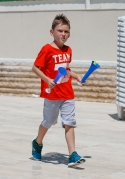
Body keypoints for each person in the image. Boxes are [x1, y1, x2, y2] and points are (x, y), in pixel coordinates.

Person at [32, 13, 85, 167]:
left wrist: (77, 76)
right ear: (52, 32)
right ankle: (37, 143)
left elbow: (65, 69)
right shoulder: (47, 49)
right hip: (52, 94)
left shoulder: (68, 50)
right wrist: (47, 80)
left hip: (67, 93)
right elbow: (35, 67)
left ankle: (72, 154)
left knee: (69, 123)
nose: (63, 34)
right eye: (60, 30)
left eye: (66, 31)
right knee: (48, 122)